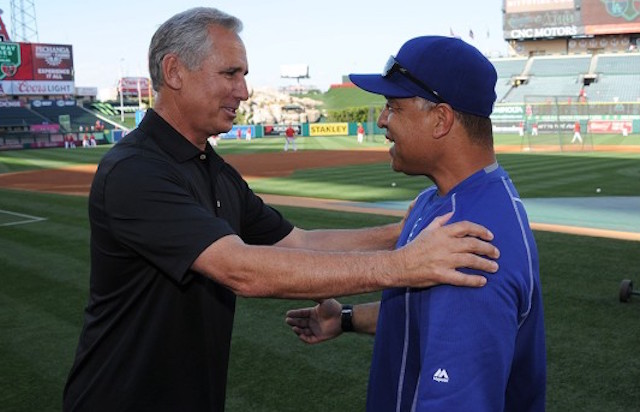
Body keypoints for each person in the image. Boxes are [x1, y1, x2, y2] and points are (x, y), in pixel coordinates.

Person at [62, 10, 500, 412]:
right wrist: (403, 265)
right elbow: (242, 270)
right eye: (230, 73)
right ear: (174, 71)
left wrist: (399, 232)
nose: (244, 90)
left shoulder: (211, 168)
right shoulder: (135, 171)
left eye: (244, 74)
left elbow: (299, 242)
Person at [287, 36, 546, 411]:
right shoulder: (442, 202)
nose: (381, 120)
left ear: (441, 119)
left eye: (393, 106)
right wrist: (345, 319)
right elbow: (426, 315)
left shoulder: (470, 243)